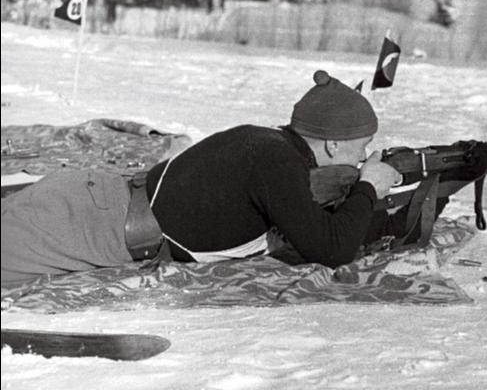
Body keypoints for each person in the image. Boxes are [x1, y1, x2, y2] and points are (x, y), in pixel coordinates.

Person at [1, 70, 452, 286]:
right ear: (333, 145)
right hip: (83, 226)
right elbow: (330, 248)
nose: (365, 155)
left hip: (90, 201)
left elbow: (320, 223)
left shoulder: (268, 145)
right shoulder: (276, 164)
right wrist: (370, 184)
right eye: (361, 146)